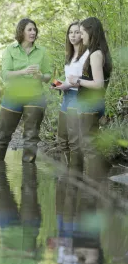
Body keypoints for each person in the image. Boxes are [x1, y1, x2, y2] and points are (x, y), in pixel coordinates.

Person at [0, 18, 52, 163]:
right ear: (21, 31)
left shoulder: (42, 51)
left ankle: (28, 176)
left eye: (34, 30)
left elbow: (48, 76)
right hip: (13, 96)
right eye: (29, 29)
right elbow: (5, 75)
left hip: (35, 97)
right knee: (2, 135)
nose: (33, 32)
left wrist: (40, 76)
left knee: (31, 137)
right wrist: (23, 72)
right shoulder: (10, 50)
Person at [68, 17, 112, 176]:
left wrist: (78, 81)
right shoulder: (99, 52)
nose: (80, 36)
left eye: (82, 32)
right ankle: (104, 173)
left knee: (88, 146)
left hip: (91, 104)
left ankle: (96, 182)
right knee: (90, 143)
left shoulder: (95, 54)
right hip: (92, 104)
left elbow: (99, 84)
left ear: (90, 32)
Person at [52, 21, 88, 171]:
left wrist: (71, 84)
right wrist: (61, 84)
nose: (73, 35)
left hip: (78, 98)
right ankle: (66, 173)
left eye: (77, 32)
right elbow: (70, 79)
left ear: (82, 34)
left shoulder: (87, 55)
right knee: (62, 139)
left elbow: (87, 80)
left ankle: (76, 175)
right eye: (70, 32)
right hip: (66, 98)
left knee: (74, 140)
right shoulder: (70, 55)